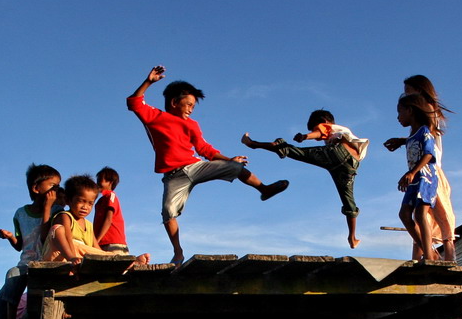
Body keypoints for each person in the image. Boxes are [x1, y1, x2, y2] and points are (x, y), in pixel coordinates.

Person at [127, 65, 289, 265]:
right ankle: (178, 252)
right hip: (174, 175)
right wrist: (148, 82)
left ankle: (264, 189)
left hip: (195, 166)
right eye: (188, 105)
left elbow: (205, 149)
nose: (191, 109)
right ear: (174, 103)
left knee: (236, 167)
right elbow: (134, 102)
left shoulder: (192, 125)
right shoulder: (156, 117)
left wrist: (229, 159)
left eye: (193, 106)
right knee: (168, 212)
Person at [242, 109, 368, 249]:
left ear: (325, 121)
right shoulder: (345, 134)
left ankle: (253, 144)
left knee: (292, 150)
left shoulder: (333, 127)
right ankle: (352, 237)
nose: (318, 138)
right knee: (349, 202)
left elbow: (321, 131)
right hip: (349, 168)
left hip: (338, 155)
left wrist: (305, 136)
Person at [0, 164, 61, 319]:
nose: (56, 190)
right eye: (52, 185)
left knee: (12, 275)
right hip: (26, 264)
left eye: (58, 186)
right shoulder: (20, 214)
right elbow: (20, 245)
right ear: (36, 188)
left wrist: (48, 208)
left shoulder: (57, 210)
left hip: (45, 263)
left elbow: (47, 237)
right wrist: (11, 238)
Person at [385, 75, 455, 260]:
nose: (405, 95)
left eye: (409, 91)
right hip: (419, 172)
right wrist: (403, 141)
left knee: (439, 215)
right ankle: (425, 253)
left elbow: (428, 143)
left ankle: (445, 257)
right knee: (418, 216)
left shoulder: (428, 111)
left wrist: (412, 171)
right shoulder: (418, 122)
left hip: (430, 171)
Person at [42, 174, 150, 265]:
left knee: (98, 253)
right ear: (68, 200)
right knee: (58, 229)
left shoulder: (88, 225)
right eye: (81, 201)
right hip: (60, 256)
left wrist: (104, 257)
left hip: (80, 257)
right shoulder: (65, 216)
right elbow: (68, 240)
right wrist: (72, 258)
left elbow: (96, 249)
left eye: (90, 203)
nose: (85, 207)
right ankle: (73, 259)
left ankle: (128, 263)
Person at [395, 94, 439, 261]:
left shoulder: (424, 131)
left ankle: (428, 256)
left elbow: (428, 154)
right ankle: (427, 249)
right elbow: (411, 142)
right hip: (414, 179)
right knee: (404, 214)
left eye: (400, 112)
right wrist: (400, 142)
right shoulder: (413, 134)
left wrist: (412, 172)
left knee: (420, 215)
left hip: (425, 177)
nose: (398, 117)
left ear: (410, 110)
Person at [93, 167, 131, 253]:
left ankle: (137, 261)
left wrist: (96, 240)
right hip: (102, 243)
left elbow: (108, 219)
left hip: (113, 242)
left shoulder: (111, 196)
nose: (97, 183)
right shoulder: (99, 201)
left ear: (110, 182)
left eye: (100, 180)